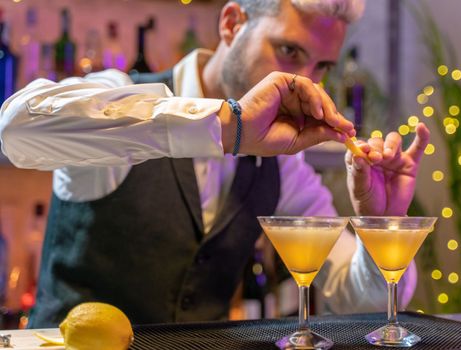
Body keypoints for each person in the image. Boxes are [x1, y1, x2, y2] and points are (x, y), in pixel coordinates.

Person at [0, 0, 430, 328]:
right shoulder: (124, 93)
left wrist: (382, 221)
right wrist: (225, 126)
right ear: (231, 23)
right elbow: (16, 127)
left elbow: (365, 305)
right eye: (289, 51)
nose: (307, 82)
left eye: (321, 66)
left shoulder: (281, 166)